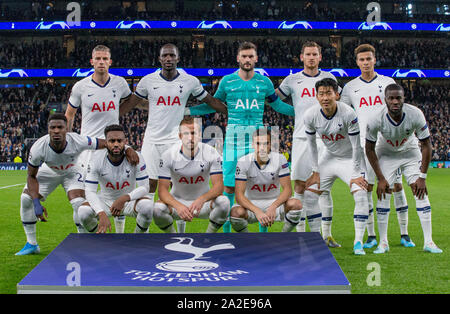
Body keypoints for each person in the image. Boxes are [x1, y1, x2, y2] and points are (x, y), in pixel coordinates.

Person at [187, 41, 295, 233]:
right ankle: (227, 233)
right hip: (233, 140)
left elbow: (278, 105)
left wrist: (301, 112)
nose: (247, 59)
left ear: (256, 58)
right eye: (244, 56)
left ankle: (264, 234)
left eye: (250, 56)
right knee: (228, 188)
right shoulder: (227, 81)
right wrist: (187, 110)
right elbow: (212, 104)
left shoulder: (265, 82)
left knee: (263, 184)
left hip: (259, 140)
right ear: (238, 58)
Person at [119, 43, 227, 232]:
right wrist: (111, 116)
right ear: (159, 59)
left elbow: (210, 101)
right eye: (165, 56)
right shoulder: (147, 81)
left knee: (176, 185)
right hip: (152, 140)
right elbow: (131, 104)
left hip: (176, 140)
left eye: (172, 55)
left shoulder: (190, 81)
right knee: (148, 184)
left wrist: (231, 112)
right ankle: (140, 232)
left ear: (178, 58)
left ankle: (180, 233)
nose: (168, 59)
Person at [340, 44, 413, 249]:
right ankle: (372, 236)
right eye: (362, 60)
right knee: (368, 187)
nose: (365, 63)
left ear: (375, 59)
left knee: (396, 186)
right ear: (357, 62)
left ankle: (404, 234)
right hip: (365, 145)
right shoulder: (350, 87)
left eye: (369, 59)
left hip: (388, 143)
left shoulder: (387, 82)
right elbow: (346, 115)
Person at [65, 44, 138, 233]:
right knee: (81, 199)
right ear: (92, 62)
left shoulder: (120, 83)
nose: (101, 62)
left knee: (117, 191)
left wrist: (118, 113)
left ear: (110, 62)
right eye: (98, 58)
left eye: (105, 59)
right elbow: (69, 114)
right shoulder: (81, 86)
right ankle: (85, 236)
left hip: (112, 147)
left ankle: (119, 233)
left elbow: (131, 100)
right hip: (87, 150)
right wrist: (69, 142)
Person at [275, 41, 340, 246]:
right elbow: (275, 100)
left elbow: (340, 104)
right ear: (301, 57)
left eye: (315, 54)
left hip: (325, 140)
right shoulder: (292, 80)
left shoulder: (329, 79)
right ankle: (300, 235)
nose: (311, 57)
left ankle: (324, 235)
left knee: (322, 187)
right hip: (302, 138)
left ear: (320, 57)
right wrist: (293, 113)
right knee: (300, 186)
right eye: (308, 54)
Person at [365, 83, 442, 254]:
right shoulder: (375, 118)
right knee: (384, 194)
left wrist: (422, 177)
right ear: (385, 99)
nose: (395, 101)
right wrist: (381, 178)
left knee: (421, 193)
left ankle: (429, 242)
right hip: (386, 153)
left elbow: (427, 145)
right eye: (391, 98)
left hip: (409, 151)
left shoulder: (415, 114)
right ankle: (383, 243)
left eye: (398, 98)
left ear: (403, 98)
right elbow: (369, 148)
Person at [16, 113, 105, 255]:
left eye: (60, 127)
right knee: (26, 198)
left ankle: (83, 239)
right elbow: (31, 176)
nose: (56, 131)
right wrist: (36, 203)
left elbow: (105, 143)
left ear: (66, 129)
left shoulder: (78, 140)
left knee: (78, 202)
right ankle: (32, 244)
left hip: (73, 170)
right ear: (48, 129)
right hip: (49, 170)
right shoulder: (38, 147)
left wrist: (127, 148)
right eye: (53, 127)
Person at [303, 78, 370, 255]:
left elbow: (357, 147)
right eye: (321, 94)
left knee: (361, 194)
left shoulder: (348, 113)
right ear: (316, 96)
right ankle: (321, 238)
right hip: (329, 157)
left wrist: (356, 173)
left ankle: (358, 243)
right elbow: (311, 145)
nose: (325, 97)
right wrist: (315, 171)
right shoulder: (310, 115)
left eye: (329, 93)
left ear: (337, 95)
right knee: (310, 194)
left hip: (351, 159)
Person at [153, 116, 230, 233]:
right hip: (177, 203)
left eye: (194, 133)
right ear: (180, 136)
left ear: (200, 135)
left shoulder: (211, 153)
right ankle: (173, 236)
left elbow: (219, 187)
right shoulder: (168, 155)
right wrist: (178, 206)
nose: (190, 138)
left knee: (224, 203)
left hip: (203, 204)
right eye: (186, 133)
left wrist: (202, 199)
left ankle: (209, 235)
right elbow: (162, 191)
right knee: (157, 209)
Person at [78, 125, 154, 234]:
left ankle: (138, 237)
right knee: (83, 212)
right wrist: (100, 213)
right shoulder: (96, 160)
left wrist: (125, 198)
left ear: (125, 141)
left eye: (119, 141)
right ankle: (100, 239)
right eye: (112, 141)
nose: (116, 144)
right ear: (106, 142)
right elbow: (90, 191)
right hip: (105, 201)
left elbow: (145, 187)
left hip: (129, 201)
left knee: (147, 206)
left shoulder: (136, 157)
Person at [230, 127, 302, 233]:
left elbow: (287, 190)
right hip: (251, 205)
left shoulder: (280, 159)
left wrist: (273, 206)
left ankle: (284, 235)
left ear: (270, 145)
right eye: (258, 143)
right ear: (252, 145)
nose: (262, 147)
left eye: (266, 143)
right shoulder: (243, 162)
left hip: (274, 202)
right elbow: (239, 196)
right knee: (235, 213)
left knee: (296, 204)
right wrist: (257, 211)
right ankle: (248, 239)